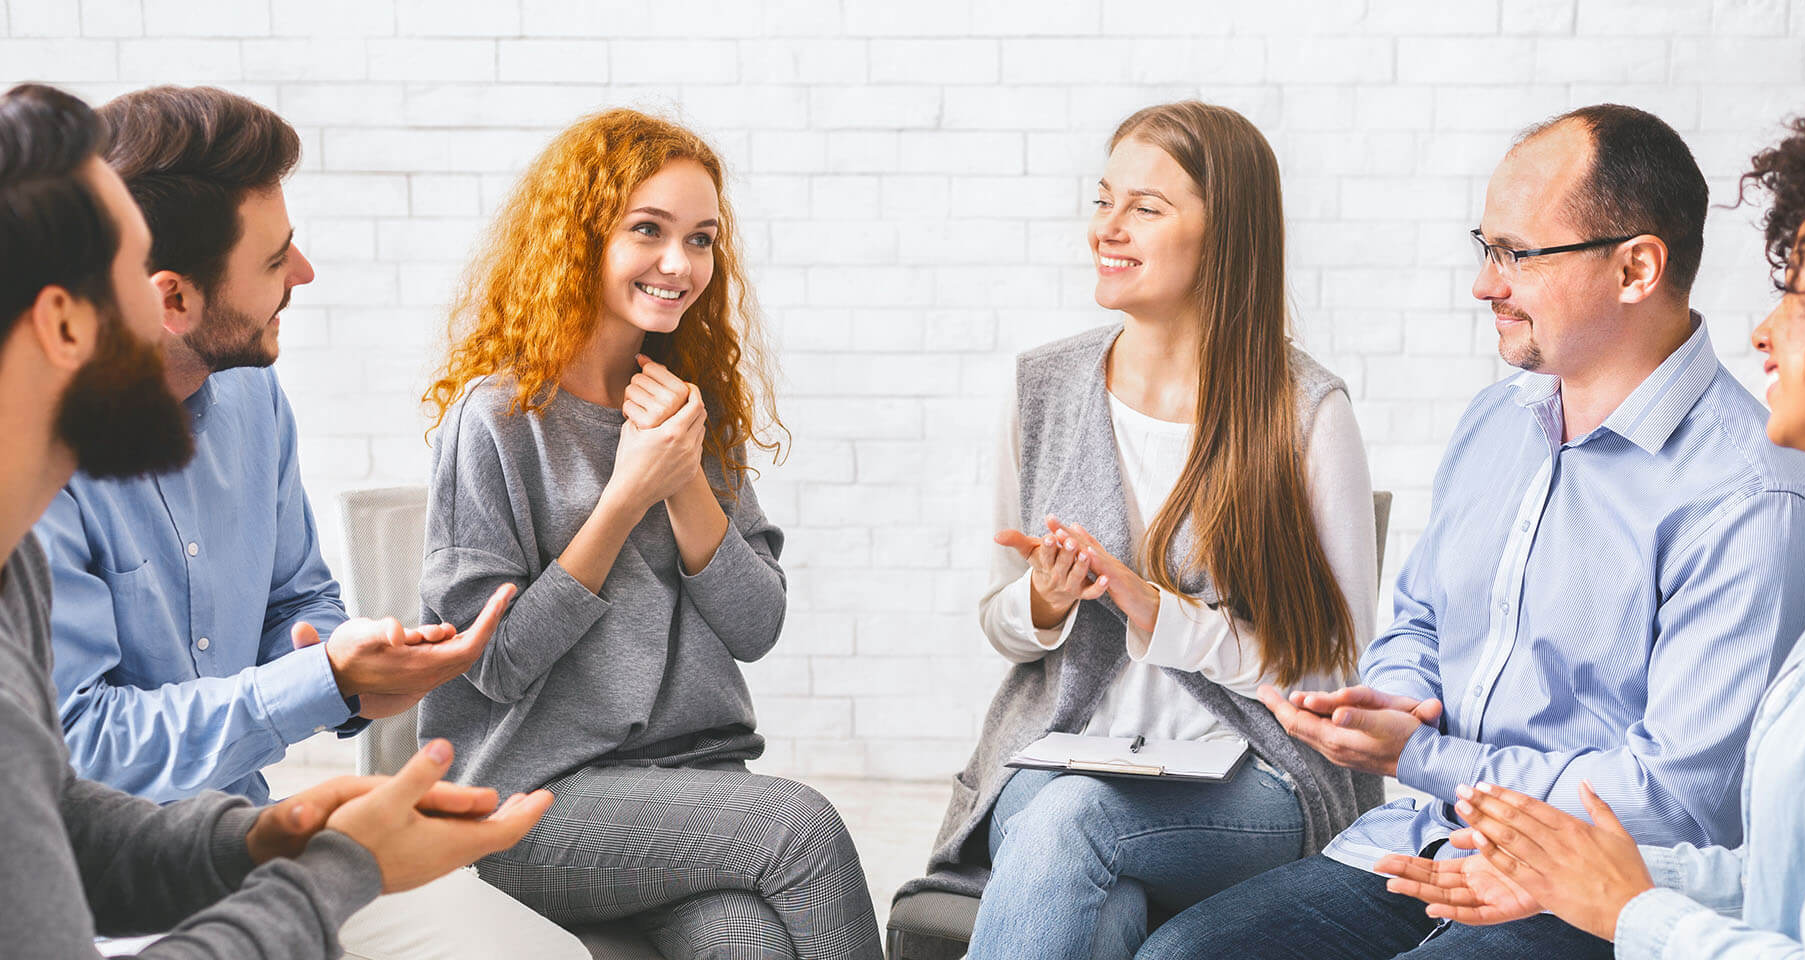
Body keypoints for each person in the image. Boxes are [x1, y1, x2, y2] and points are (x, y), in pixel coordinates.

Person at [1137, 104, 1805, 959]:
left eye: (1516, 254)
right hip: (1421, 843)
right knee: (1181, 954)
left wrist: (1426, 757)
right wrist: (1391, 702)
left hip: (1592, 894)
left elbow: (1678, 803)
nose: (1485, 284)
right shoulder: (1495, 422)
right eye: (1487, 248)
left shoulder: (1754, 498)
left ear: (1635, 269)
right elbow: (1419, 622)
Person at [32, 85, 589, 960]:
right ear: (173, 299)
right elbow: (83, 749)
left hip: (251, 834)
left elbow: (297, 596)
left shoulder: (252, 398)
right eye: (273, 259)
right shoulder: (37, 469)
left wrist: (356, 666)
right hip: (108, 901)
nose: (304, 273)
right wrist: (319, 684)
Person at [1379, 88, 1805, 960]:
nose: (1763, 330)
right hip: (1474, 852)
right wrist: (1583, 882)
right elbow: (1788, 877)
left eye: (1800, 296)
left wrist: (1626, 909)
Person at [901, 101, 1382, 959]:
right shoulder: (1043, 388)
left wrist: (1158, 612)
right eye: (1103, 200)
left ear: (1225, 233)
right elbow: (1002, 625)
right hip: (1054, 759)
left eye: (1145, 208)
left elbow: (1336, 669)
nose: (1107, 228)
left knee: (1076, 827)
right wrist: (1043, 603)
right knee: (1091, 870)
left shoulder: (1306, 411)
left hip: (1259, 781)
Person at [417, 107, 882, 960]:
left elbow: (756, 627)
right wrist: (627, 495)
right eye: (648, 230)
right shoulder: (498, 420)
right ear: (579, 239)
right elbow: (496, 662)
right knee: (801, 827)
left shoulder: (688, 406)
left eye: (701, 239)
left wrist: (682, 477)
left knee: (750, 947)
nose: (680, 263)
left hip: (689, 793)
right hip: (525, 805)